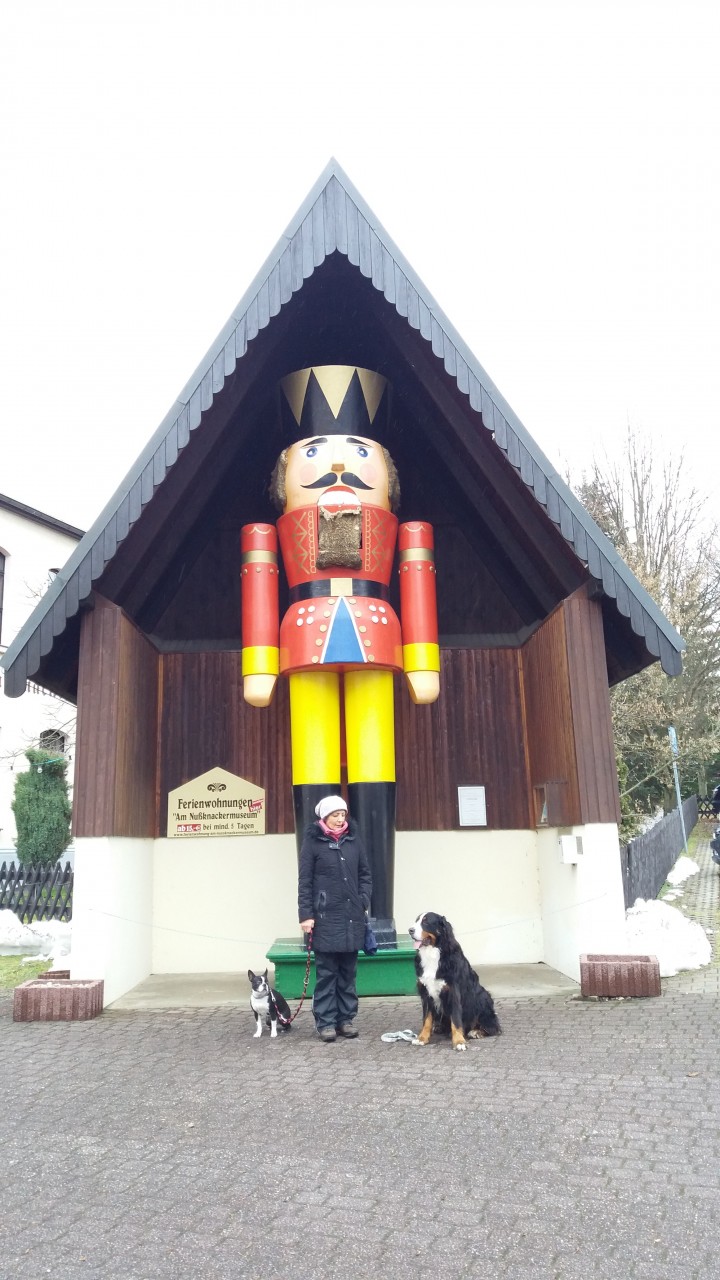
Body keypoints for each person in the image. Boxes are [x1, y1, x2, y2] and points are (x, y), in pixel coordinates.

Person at [298, 794, 372, 1042]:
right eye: (335, 815)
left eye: (343, 814)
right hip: (325, 918)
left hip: (352, 917)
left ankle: (345, 1020)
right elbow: (305, 881)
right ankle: (326, 1022)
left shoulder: (353, 840)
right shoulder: (312, 842)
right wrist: (306, 915)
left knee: (348, 974)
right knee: (327, 974)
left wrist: (363, 900)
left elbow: (365, 874)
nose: (340, 819)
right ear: (324, 817)